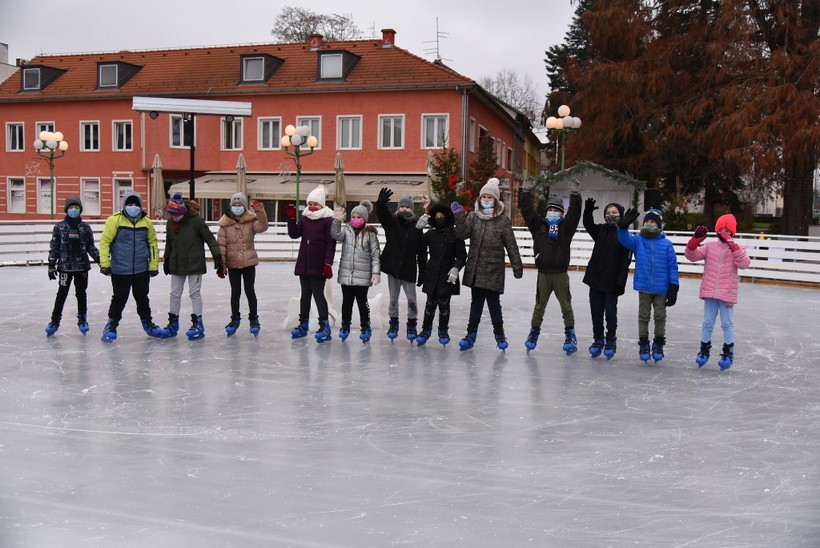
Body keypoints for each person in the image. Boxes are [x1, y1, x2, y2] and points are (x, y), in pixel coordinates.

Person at [452, 177, 523, 351]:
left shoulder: (502, 220)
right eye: (484, 197)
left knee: (493, 304)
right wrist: (459, 216)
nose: (486, 200)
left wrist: (517, 266)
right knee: (476, 302)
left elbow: (511, 244)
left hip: (493, 269)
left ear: (496, 200)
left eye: (489, 198)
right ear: (479, 199)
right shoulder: (473, 216)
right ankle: (470, 335)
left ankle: (500, 335)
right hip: (476, 268)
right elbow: (461, 234)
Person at [519, 178, 582, 355]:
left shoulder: (566, 228)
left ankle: (570, 334)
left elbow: (575, 214)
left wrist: (575, 195)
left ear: (562, 214)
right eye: (551, 210)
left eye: (557, 211)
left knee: (566, 306)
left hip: (560, 274)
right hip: (544, 275)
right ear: (546, 212)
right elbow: (528, 212)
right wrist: (525, 193)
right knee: (539, 305)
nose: (553, 213)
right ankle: (534, 333)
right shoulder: (539, 226)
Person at [685, 213, 750, 370]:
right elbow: (691, 256)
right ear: (716, 229)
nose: (724, 231)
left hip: (727, 293)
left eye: (727, 229)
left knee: (727, 323)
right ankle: (704, 350)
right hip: (710, 291)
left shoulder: (738, 248)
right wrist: (694, 242)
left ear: (733, 231)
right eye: (721, 228)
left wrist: (731, 244)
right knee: (707, 322)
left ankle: (728, 352)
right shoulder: (709, 246)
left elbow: (744, 263)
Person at [98, 191, 164, 342]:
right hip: (120, 268)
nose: (132, 207)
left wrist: (153, 265)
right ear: (124, 206)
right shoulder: (115, 220)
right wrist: (105, 263)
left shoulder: (146, 222)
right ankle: (111, 325)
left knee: (142, 298)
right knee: (119, 298)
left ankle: (148, 324)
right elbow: (105, 242)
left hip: (141, 269)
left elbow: (152, 244)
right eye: (129, 204)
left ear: (140, 206)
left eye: (135, 204)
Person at [617, 208, 679, 363]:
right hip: (644, 287)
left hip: (662, 288)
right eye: (647, 221)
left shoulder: (666, 244)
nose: (649, 224)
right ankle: (643, 343)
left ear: (658, 225)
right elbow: (624, 240)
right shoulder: (638, 241)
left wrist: (674, 287)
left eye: (653, 222)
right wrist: (622, 227)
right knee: (643, 316)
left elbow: (673, 267)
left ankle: (658, 344)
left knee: (660, 316)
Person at [162, 193, 224, 340]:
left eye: (176, 214)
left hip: (194, 263)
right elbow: (169, 242)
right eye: (172, 214)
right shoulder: (170, 223)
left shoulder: (196, 220)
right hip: (177, 263)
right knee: (174, 293)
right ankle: (173, 324)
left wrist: (217, 257)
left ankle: (198, 324)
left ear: (183, 211)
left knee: (194, 293)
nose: (174, 217)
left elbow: (209, 239)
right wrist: (166, 259)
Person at [582, 197, 632, 359]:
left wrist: (620, 283)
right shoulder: (601, 230)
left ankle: (611, 339)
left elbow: (625, 262)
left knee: (610, 314)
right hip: (595, 279)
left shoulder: (624, 236)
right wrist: (588, 211)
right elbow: (588, 225)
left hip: (612, 283)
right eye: (608, 212)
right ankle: (598, 339)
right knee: (596, 312)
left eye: (614, 212)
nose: (611, 215)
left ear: (621, 215)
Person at [286, 185, 336, 343]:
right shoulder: (305, 218)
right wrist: (291, 219)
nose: (312, 206)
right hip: (304, 264)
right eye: (310, 203)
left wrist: (327, 263)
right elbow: (294, 234)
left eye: (315, 204)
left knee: (318, 295)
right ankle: (303, 325)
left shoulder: (328, 220)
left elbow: (330, 243)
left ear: (322, 205)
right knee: (305, 296)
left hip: (319, 264)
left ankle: (324, 325)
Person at [44, 196, 100, 336]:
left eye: (76, 207)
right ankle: (54, 321)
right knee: (61, 294)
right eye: (71, 207)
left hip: (82, 268)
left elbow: (90, 247)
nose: (74, 210)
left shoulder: (85, 227)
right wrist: (51, 264)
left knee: (81, 294)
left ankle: (82, 319)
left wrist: (100, 259)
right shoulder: (59, 227)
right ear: (66, 209)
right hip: (65, 268)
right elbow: (54, 247)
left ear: (80, 210)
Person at [414, 203, 467, 347]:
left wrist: (456, 268)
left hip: (447, 275)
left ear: (447, 218)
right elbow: (418, 247)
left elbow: (462, 255)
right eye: (436, 217)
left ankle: (443, 331)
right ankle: (425, 331)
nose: (439, 219)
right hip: (432, 274)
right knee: (430, 305)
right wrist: (418, 230)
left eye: (441, 217)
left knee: (444, 306)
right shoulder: (430, 234)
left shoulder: (455, 235)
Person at [375, 188, 425, 341]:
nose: (404, 208)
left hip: (409, 270)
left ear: (412, 209)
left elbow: (421, 252)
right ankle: (394, 323)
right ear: (398, 208)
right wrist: (381, 203)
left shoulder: (416, 228)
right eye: (402, 206)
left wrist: (422, 271)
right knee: (393, 299)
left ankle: (411, 324)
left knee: (411, 300)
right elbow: (383, 215)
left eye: (408, 206)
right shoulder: (392, 223)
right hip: (394, 269)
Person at [217, 192, 268, 336]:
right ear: (231, 206)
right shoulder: (225, 224)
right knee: (235, 292)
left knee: (249, 291)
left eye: (240, 205)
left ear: (245, 207)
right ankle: (235, 319)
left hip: (248, 262)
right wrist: (222, 265)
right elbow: (222, 246)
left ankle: (254, 319)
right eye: (235, 205)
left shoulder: (251, 221)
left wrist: (259, 210)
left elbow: (263, 226)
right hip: (233, 264)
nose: (237, 207)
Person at [331, 200, 381, 342]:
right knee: (346, 302)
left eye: (359, 217)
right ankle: (345, 326)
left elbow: (375, 254)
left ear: (364, 219)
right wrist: (336, 221)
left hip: (363, 275)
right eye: (353, 217)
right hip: (347, 275)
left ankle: (365, 327)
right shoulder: (346, 230)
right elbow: (335, 235)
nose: (355, 220)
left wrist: (376, 272)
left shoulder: (370, 235)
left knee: (361, 302)